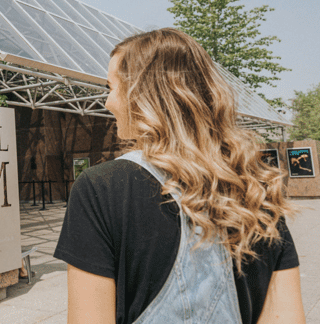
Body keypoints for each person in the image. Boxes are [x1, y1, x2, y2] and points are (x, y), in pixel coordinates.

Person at [54, 28, 305, 324]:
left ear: (142, 97)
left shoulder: (101, 188)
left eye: (112, 88)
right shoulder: (256, 188)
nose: (108, 103)